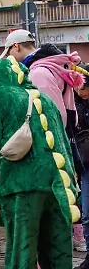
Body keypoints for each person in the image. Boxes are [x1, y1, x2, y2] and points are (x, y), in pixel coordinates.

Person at [0, 56, 80, 269]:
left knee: (22, 251)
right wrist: (69, 184)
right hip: (56, 184)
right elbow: (63, 143)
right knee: (57, 251)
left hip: (20, 186)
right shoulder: (46, 99)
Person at [2, 29, 84, 127]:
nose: (9, 57)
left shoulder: (39, 72)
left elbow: (50, 115)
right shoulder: (53, 64)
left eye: (8, 53)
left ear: (16, 46)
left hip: (54, 136)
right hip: (66, 129)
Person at [75, 64, 89, 266]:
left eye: (83, 86)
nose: (79, 90)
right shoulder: (75, 104)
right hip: (86, 166)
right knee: (86, 215)